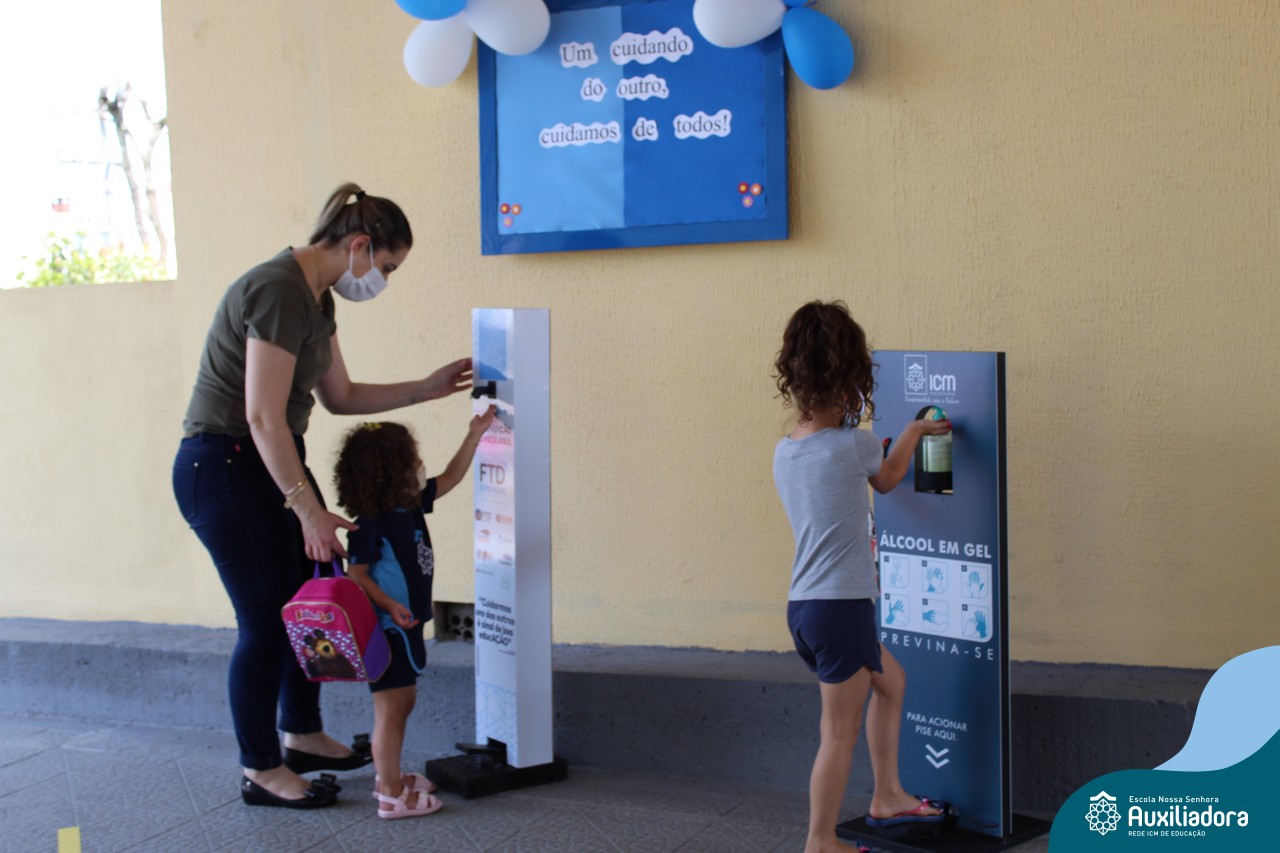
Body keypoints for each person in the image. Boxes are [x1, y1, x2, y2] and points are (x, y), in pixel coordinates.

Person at [171, 183, 473, 809]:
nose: (383, 279)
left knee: (297, 607)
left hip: (266, 464)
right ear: (359, 245)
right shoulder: (278, 289)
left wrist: (427, 388)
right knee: (264, 622)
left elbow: (341, 397)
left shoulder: (316, 298)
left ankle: (303, 736)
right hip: (225, 465)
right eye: (387, 266)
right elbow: (260, 416)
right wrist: (307, 509)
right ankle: (261, 768)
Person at [771, 301, 955, 852]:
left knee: (892, 684)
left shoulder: (786, 450)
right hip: (842, 606)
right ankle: (820, 841)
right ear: (848, 374)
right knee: (838, 734)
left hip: (806, 608)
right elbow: (890, 477)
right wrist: (916, 429)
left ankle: (888, 795)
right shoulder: (854, 445)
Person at [334, 411, 494, 819]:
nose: (419, 465)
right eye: (412, 460)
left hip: (407, 627)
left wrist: (473, 435)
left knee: (404, 703)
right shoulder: (369, 526)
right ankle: (390, 794)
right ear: (389, 473)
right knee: (389, 712)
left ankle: (389, 776)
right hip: (386, 631)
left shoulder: (408, 507)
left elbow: (450, 477)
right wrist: (389, 605)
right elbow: (357, 576)